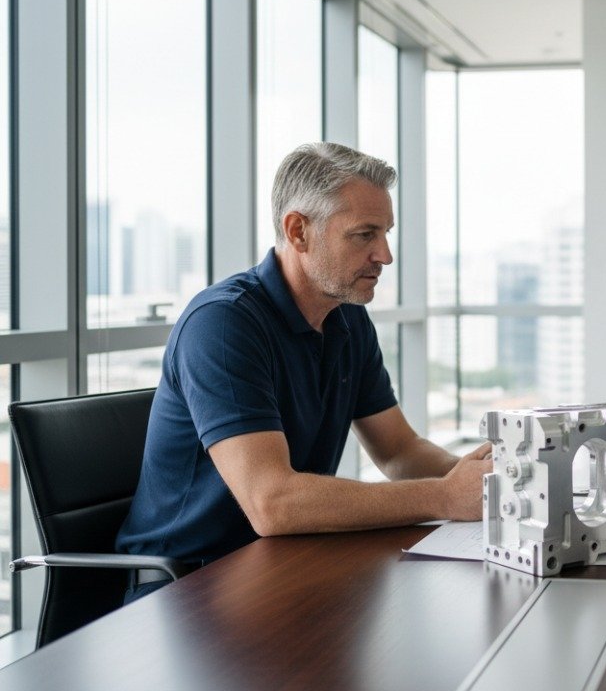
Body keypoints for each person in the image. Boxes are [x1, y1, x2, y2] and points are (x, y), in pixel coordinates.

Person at [117, 142, 490, 599]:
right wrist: (445, 496)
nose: (385, 256)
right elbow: (271, 502)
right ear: (298, 231)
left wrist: (481, 484)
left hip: (282, 568)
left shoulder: (347, 316)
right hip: (186, 589)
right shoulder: (223, 324)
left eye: (386, 233)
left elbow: (398, 449)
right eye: (364, 234)